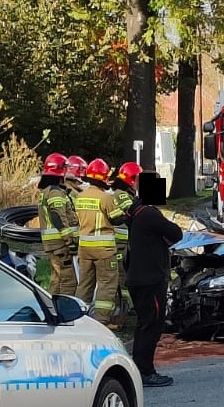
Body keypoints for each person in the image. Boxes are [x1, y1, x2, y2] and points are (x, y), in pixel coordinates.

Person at [125, 198, 183, 387]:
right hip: (150, 280)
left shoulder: (135, 214)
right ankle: (145, 371)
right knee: (151, 325)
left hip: (140, 278)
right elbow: (176, 233)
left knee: (146, 323)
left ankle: (141, 368)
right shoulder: (149, 214)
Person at [74, 158, 126, 328]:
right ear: (104, 177)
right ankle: (101, 321)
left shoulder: (80, 197)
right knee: (106, 285)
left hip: (84, 249)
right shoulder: (105, 198)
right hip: (104, 250)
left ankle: (79, 317)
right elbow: (117, 219)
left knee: (85, 285)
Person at [37, 152, 79, 296]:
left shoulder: (46, 191)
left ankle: (51, 309)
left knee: (57, 279)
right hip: (60, 244)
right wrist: (70, 240)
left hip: (53, 244)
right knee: (68, 281)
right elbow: (57, 216)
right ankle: (66, 312)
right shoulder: (55, 193)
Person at [108, 162, 142, 324]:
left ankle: (127, 305)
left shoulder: (124, 192)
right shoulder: (120, 194)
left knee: (125, 275)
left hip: (124, 242)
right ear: (130, 180)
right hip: (118, 243)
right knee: (121, 276)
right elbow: (132, 211)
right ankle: (124, 307)